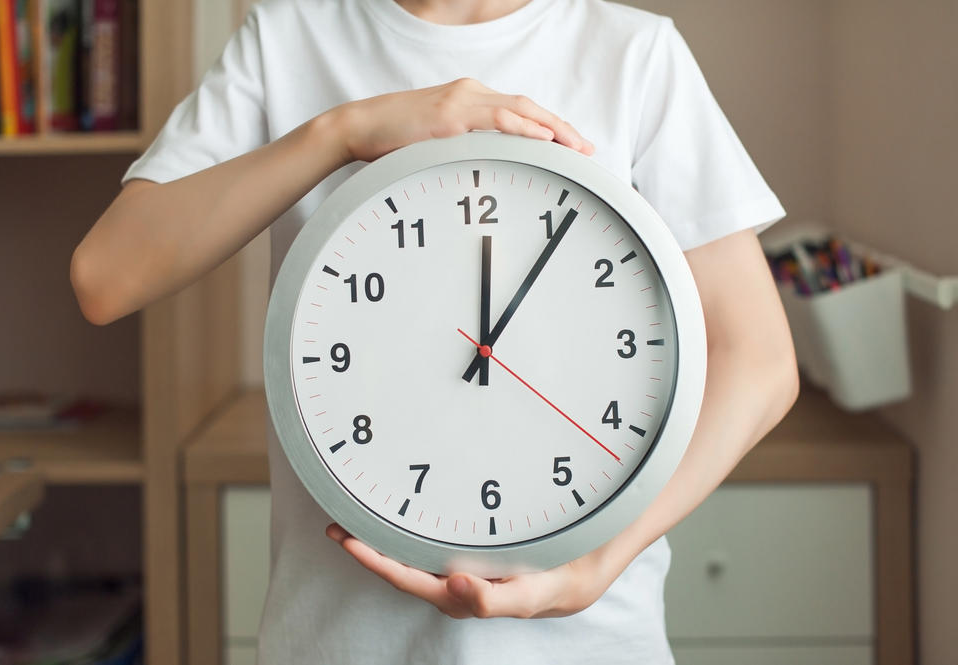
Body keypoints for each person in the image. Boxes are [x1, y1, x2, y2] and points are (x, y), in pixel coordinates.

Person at [70, 1, 799, 663]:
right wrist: (343, 131)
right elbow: (106, 276)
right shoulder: (287, 38)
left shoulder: (631, 53)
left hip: (589, 642)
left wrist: (596, 566)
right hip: (338, 643)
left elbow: (760, 360)